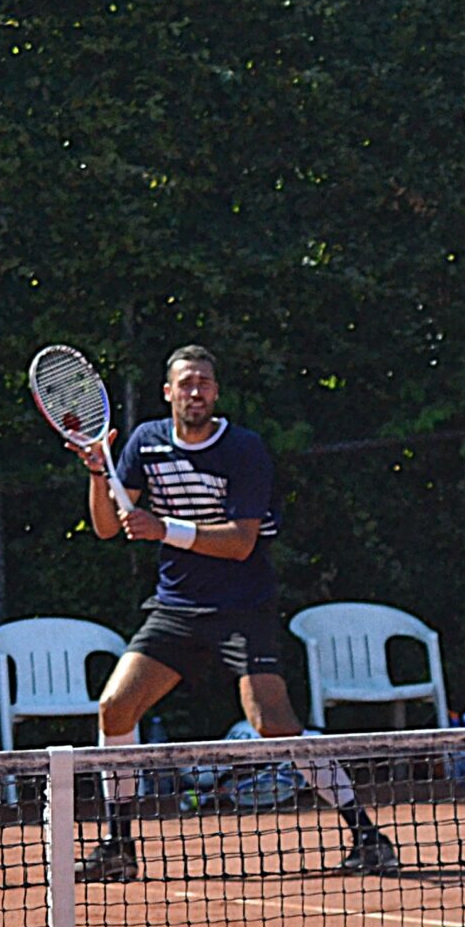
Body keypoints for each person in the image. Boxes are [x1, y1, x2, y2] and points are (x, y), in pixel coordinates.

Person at [66, 344, 399, 881]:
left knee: (272, 724)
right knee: (116, 707)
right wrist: (98, 474)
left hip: (243, 608)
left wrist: (164, 528)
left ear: (216, 392)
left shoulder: (244, 449)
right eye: (185, 383)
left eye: (204, 382)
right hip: (175, 608)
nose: (195, 391)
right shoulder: (145, 442)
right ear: (168, 393)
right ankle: (119, 847)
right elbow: (107, 527)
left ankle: (367, 835)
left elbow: (241, 542)